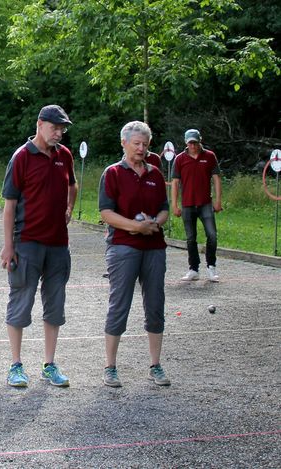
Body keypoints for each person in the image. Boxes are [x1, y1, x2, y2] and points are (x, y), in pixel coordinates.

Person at [0, 104, 78, 388]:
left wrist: (70, 207)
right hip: (27, 242)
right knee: (21, 301)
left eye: (62, 129)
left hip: (58, 243)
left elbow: (73, 185)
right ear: (39, 125)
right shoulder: (21, 157)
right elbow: (9, 205)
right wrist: (8, 246)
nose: (59, 133)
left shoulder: (64, 155)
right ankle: (16, 365)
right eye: (54, 128)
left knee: (55, 306)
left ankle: (49, 364)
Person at [98, 121, 171, 388]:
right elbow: (106, 212)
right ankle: (110, 367)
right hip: (123, 246)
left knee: (155, 304)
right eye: (136, 143)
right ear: (124, 143)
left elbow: (164, 207)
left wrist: (156, 223)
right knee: (120, 304)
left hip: (154, 246)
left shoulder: (154, 172)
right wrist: (135, 227)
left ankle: (155, 365)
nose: (141, 148)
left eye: (145, 144)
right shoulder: (113, 173)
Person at [171, 129, 223, 282]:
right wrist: (174, 204)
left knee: (212, 235)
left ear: (200, 141)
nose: (193, 146)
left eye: (195, 142)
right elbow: (175, 183)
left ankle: (211, 267)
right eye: (190, 143)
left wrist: (218, 200)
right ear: (186, 143)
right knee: (190, 238)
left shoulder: (209, 156)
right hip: (187, 203)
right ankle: (193, 269)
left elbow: (216, 179)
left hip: (205, 203)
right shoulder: (180, 159)